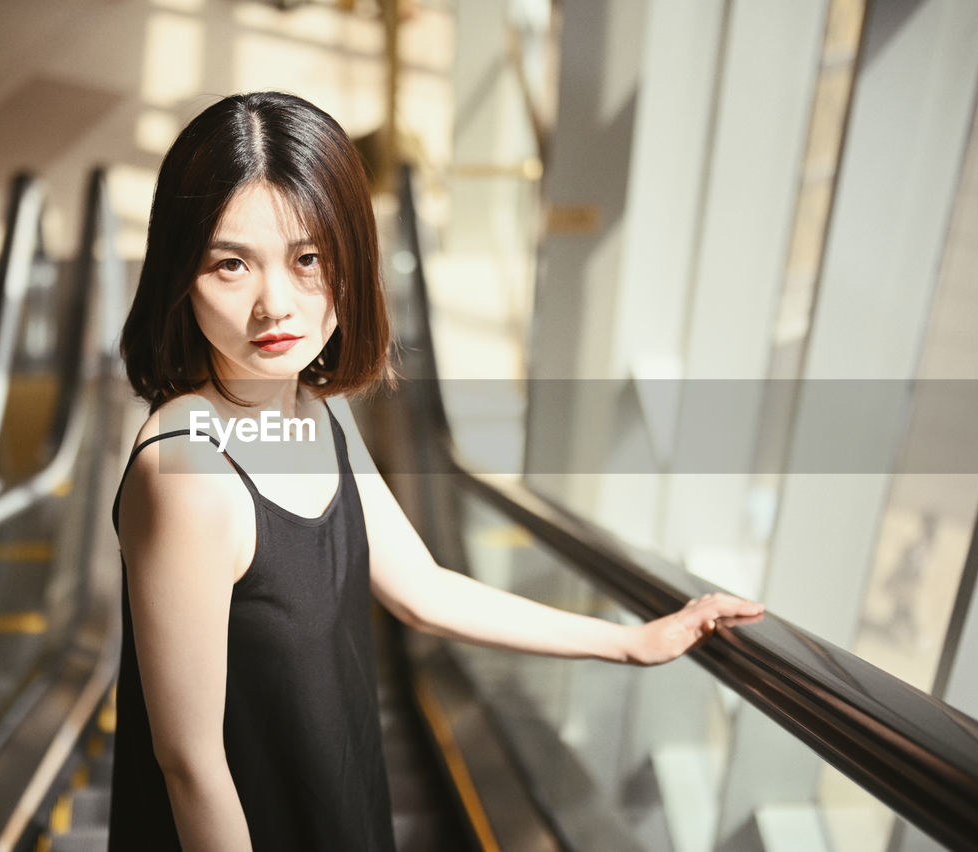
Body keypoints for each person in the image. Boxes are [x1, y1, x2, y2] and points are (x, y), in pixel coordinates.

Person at [108, 91, 764, 852]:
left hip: (338, 801)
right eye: (231, 264)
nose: (274, 305)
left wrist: (629, 642)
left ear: (351, 257)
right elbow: (190, 764)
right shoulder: (188, 472)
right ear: (180, 277)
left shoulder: (312, 410)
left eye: (309, 258)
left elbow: (423, 591)